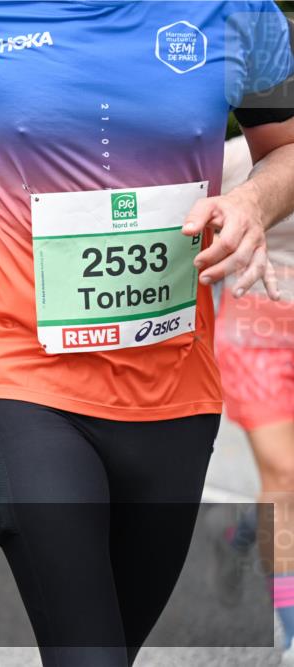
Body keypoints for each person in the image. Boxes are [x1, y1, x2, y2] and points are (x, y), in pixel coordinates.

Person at [0, 3, 294, 665]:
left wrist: (251, 201)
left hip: (174, 386)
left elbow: (288, 146)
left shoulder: (241, 12)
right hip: (21, 370)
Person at [212, 136, 294, 654]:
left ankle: (244, 529)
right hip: (256, 333)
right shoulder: (235, 159)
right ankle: (291, 625)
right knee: (284, 474)